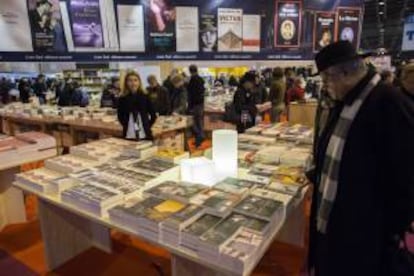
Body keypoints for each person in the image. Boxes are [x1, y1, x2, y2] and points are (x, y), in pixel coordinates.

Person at [307, 41, 414, 276]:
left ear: (345, 73)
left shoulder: (388, 103)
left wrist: (386, 232)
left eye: (326, 79)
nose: (325, 87)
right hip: (335, 227)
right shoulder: (346, 102)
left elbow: (406, 179)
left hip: (363, 237)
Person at [117, 72, 156, 141]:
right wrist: (127, 124)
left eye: (135, 80)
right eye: (130, 80)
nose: (133, 83)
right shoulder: (122, 98)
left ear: (139, 82)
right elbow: (120, 116)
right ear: (126, 82)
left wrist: (146, 125)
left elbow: (153, 115)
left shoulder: (145, 96)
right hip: (129, 133)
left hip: (144, 133)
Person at [187, 65, 206, 147]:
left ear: (190, 71)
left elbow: (191, 94)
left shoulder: (192, 80)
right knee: (199, 121)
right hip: (200, 103)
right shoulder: (200, 79)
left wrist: (189, 106)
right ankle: (201, 136)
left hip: (195, 104)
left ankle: (199, 139)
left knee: (195, 123)